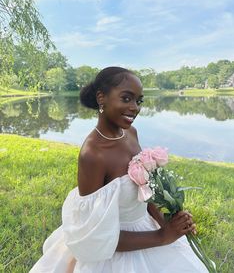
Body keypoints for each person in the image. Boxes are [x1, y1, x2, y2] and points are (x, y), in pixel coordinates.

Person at [30, 67, 208, 272]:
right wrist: (161, 237)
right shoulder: (93, 154)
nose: (135, 108)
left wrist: (170, 223)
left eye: (138, 101)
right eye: (126, 98)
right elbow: (94, 235)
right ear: (101, 98)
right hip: (114, 249)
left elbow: (145, 191)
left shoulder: (131, 133)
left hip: (146, 227)